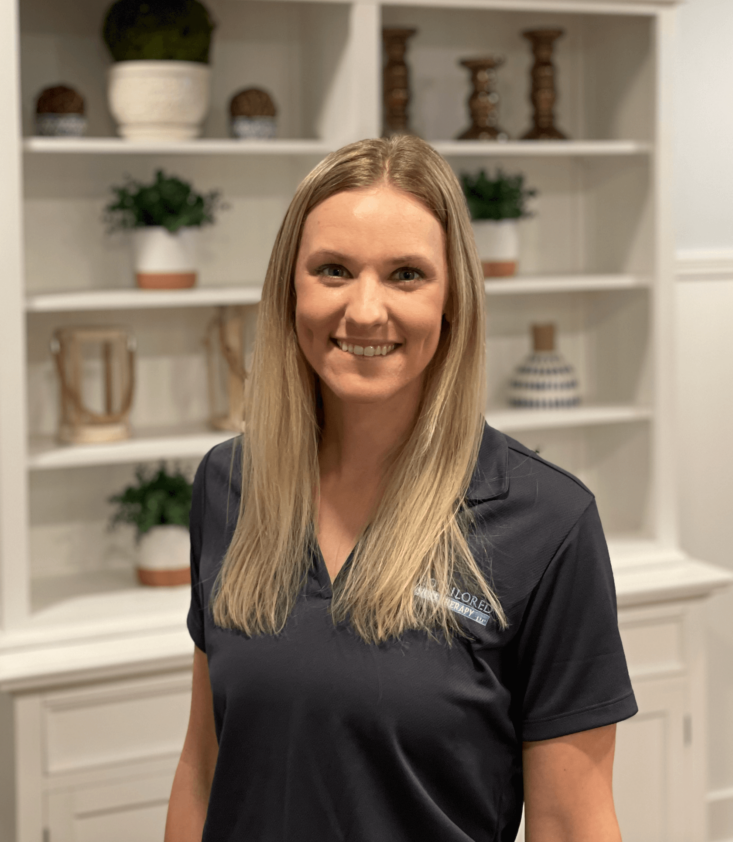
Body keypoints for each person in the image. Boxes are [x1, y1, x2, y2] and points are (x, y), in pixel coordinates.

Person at [165, 135, 637, 842]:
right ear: (289, 289)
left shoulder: (547, 524)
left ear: (453, 301)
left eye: (406, 275)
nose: (364, 310)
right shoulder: (229, 485)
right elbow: (204, 768)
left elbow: (572, 825)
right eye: (332, 270)